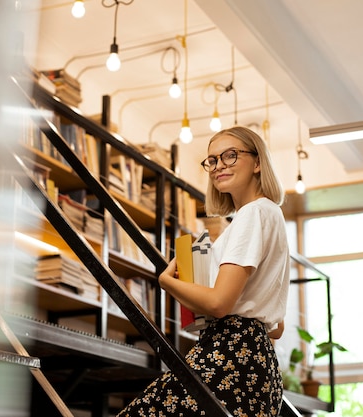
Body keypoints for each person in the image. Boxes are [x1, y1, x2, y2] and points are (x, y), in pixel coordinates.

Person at [117, 126, 290, 416]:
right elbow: (277, 327)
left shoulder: (252, 214)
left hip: (229, 356)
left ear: (258, 162)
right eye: (212, 160)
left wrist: (166, 282)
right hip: (256, 360)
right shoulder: (269, 213)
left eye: (231, 156)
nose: (219, 165)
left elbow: (218, 303)